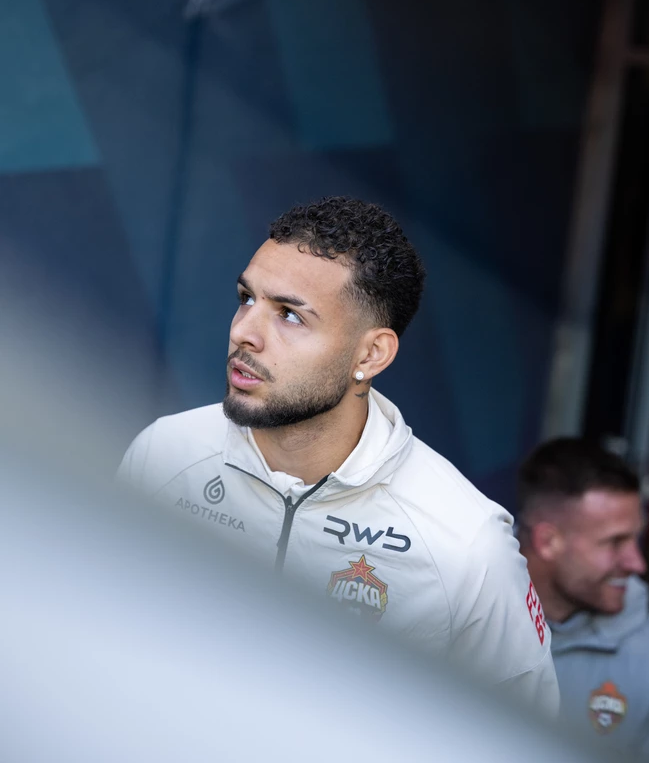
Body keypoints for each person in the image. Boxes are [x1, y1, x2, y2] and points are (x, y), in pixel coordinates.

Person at [119, 196, 558, 712]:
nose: (243, 332)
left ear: (370, 354)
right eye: (246, 298)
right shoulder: (165, 454)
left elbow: (521, 746)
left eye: (289, 315)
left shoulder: (465, 543)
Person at [517, 438, 649, 753]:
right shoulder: (460, 603)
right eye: (615, 542)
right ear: (548, 542)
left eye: (636, 539)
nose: (637, 563)